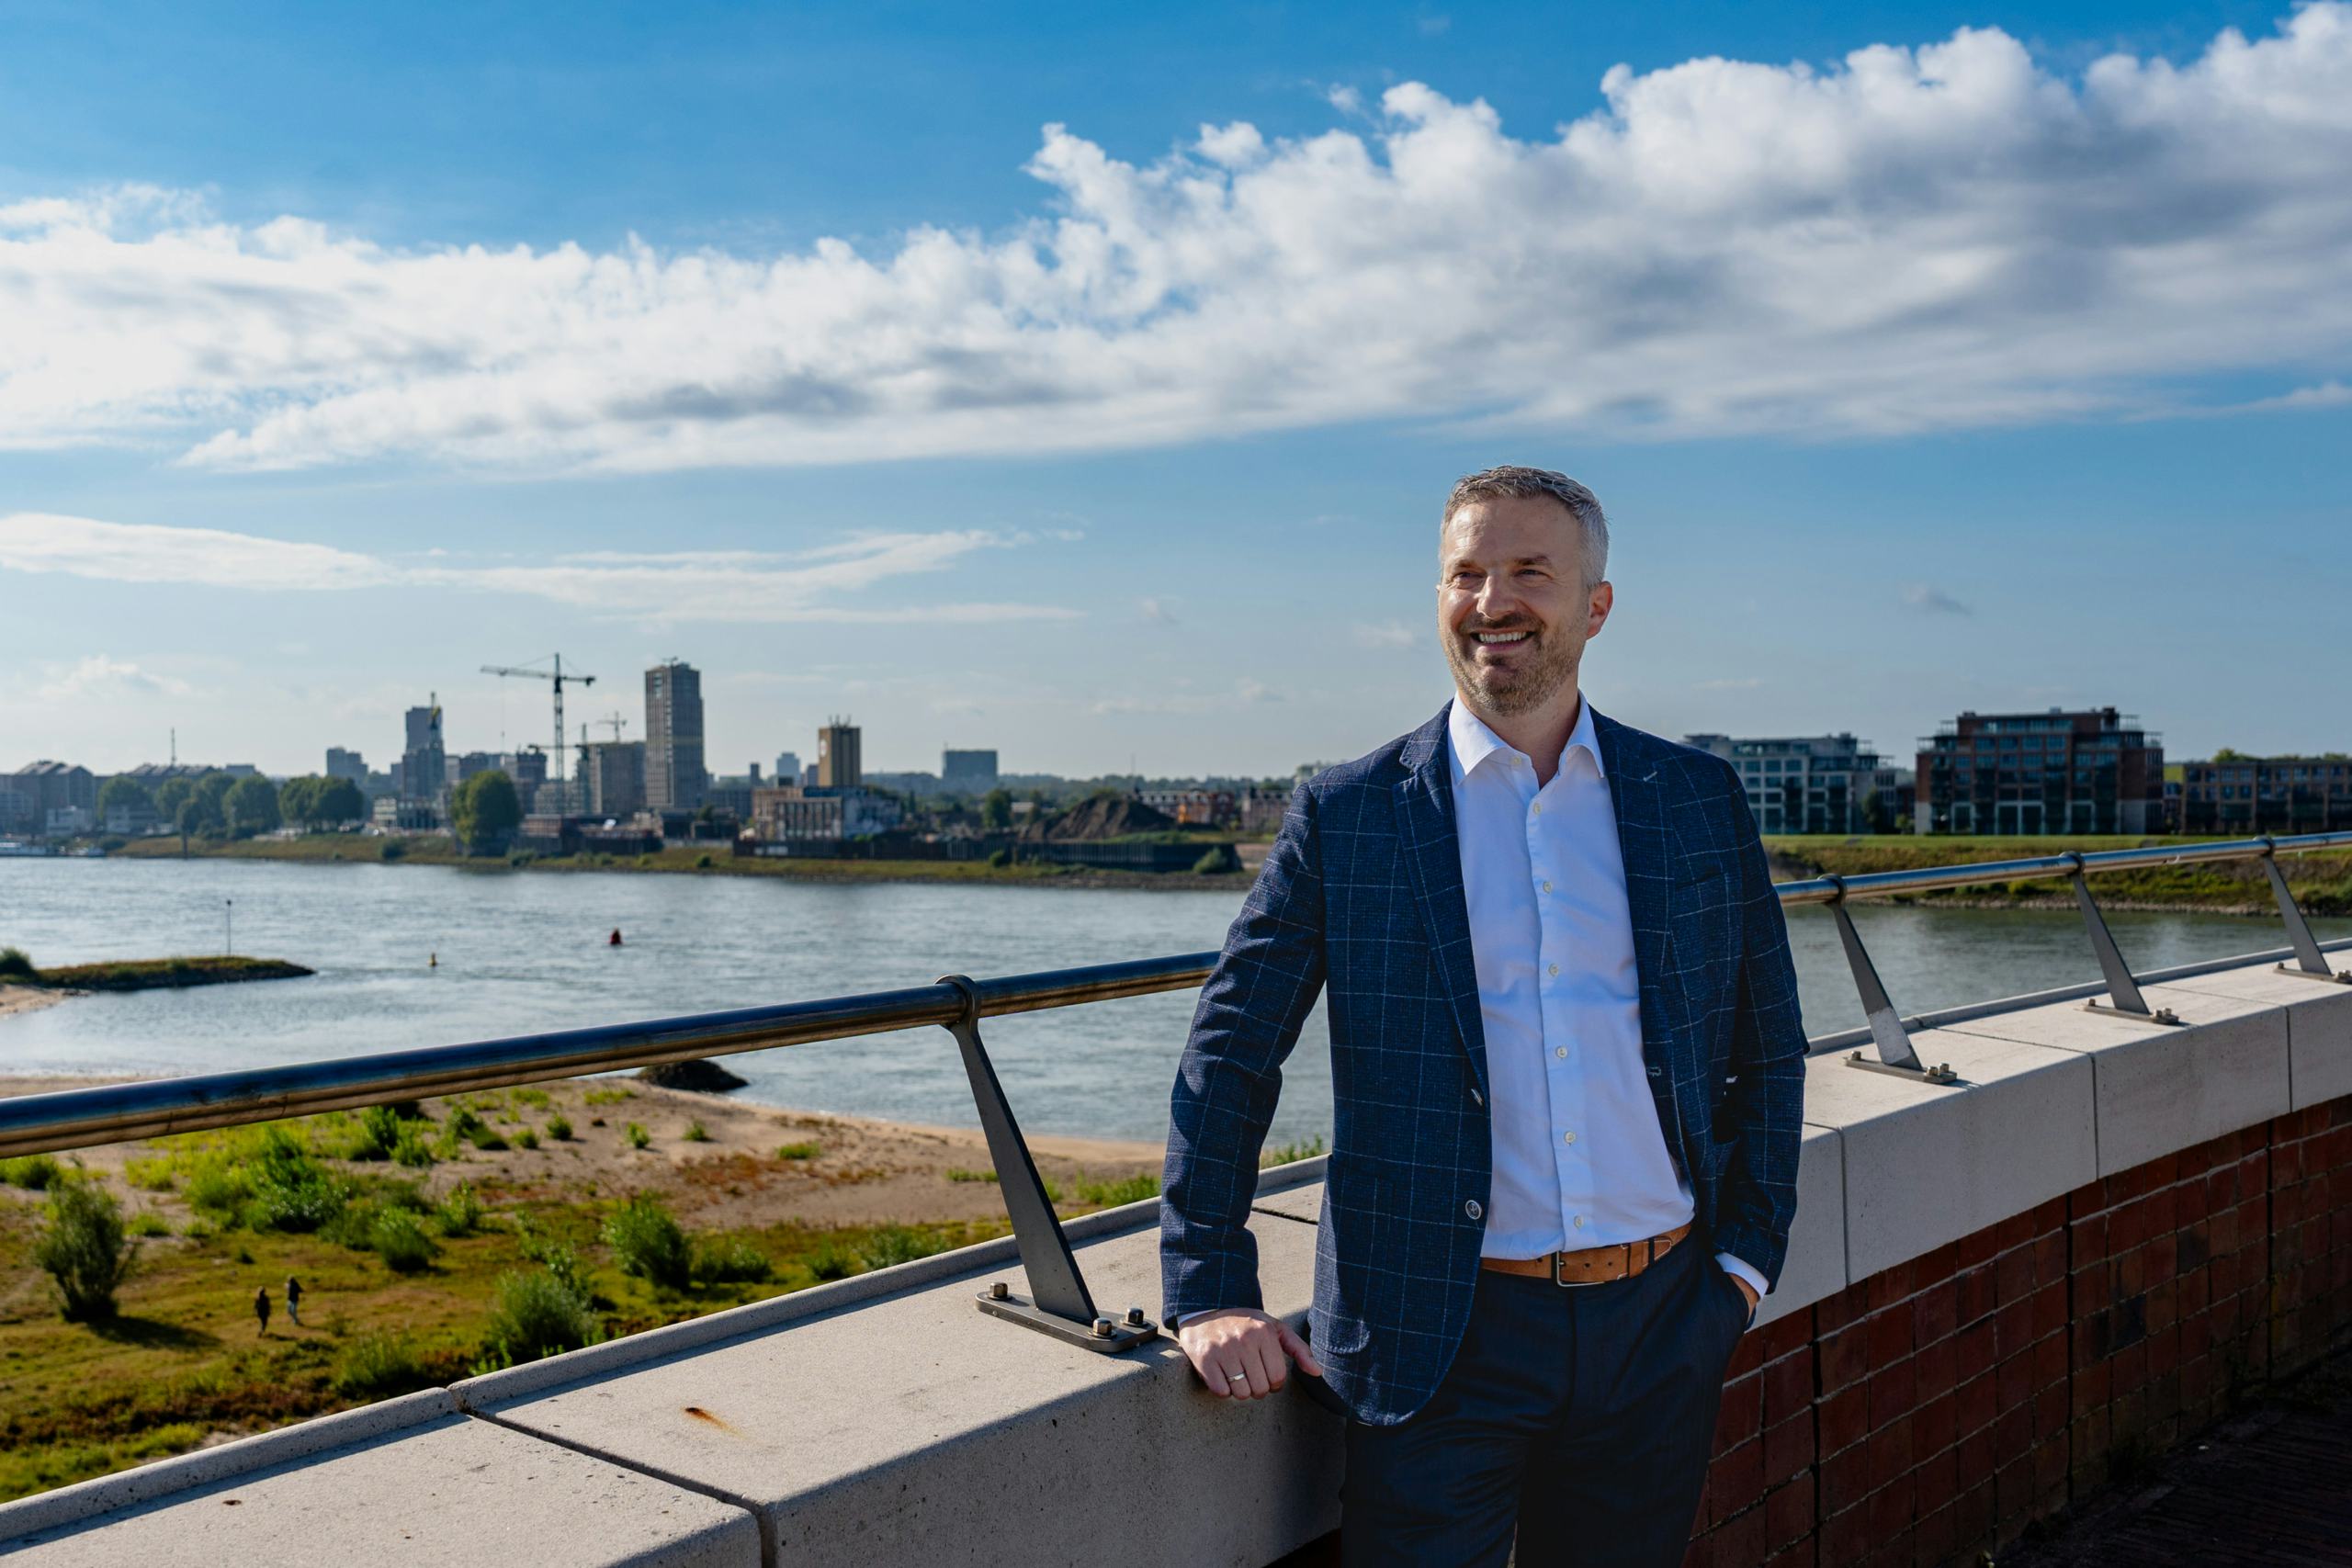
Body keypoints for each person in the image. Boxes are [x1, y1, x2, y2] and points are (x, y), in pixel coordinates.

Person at [1160, 467, 1806, 1567]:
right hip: (1432, 1340)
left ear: (1595, 606)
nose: (1490, 601)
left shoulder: (1693, 799)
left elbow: (1768, 1042)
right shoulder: (1349, 814)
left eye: (1528, 572)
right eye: (1465, 573)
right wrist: (1210, 1285)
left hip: (1661, 1324)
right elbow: (1231, 1051)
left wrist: (1742, 1265)